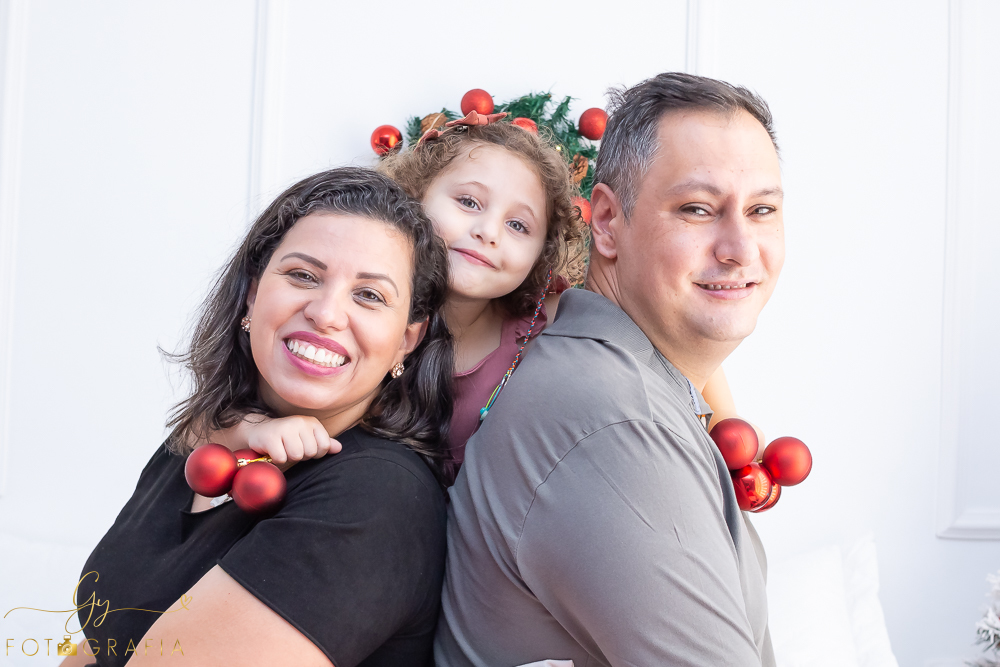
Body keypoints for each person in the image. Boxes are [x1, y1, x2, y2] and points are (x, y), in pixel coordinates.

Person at [434, 72, 785, 666]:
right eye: (698, 209)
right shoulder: (618, 422)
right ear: (604, 221)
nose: (740, 248)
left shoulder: (633, 381)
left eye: (762, 210)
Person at [61, 167, 453, 667]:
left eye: (369, 295)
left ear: (405, 340)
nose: (327, 313)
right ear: (251, 294)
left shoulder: (376, 497)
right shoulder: (206, 438)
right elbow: (101, 641)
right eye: (303, 275)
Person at [222, 113, 749, 481]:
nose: (487, 232)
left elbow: (662, 342)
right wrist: (258, 429)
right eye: (468, 201)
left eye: (518, 225)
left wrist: (731, 432)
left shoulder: (550, 320)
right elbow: (213, 412)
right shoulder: (351, 328)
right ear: (414, 199)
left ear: (541, 255)